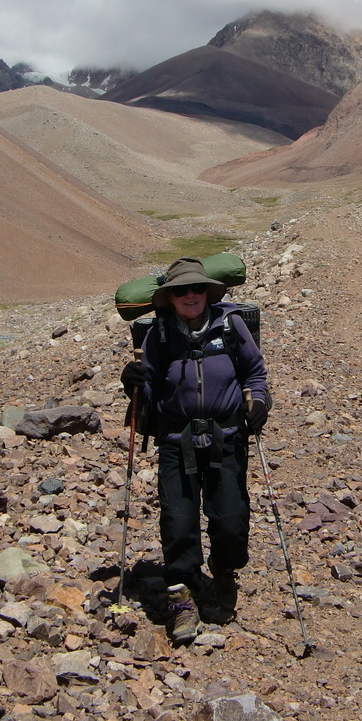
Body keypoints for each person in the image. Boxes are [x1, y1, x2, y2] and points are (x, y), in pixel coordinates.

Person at [120, 257, 271, 643]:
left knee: (231, 520)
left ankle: (224, 569)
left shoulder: (232, 324)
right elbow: (149, 387)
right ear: (169, 298)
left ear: (208, 291)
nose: (190, 295)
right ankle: (182, 598)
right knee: (178, 521)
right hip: (176, 442)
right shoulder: (159, 335)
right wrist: (133, 382)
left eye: (197, 288)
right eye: (181, 290)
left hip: (228, 437)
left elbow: (254, 373)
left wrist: (259, 404)